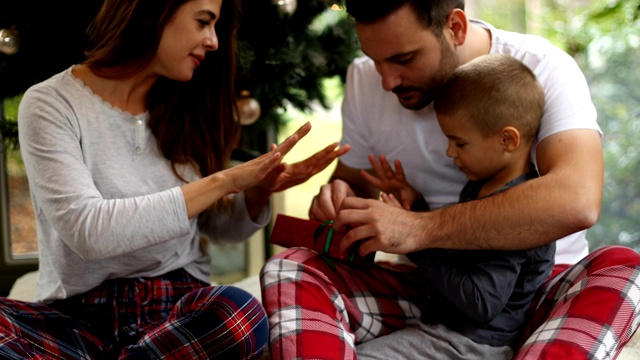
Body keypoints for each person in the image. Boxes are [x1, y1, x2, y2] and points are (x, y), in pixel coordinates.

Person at [261, 1, 640, 359]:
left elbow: (576, 201)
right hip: (427, 291)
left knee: (625, 271)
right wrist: (339, 200)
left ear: (455, 27)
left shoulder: (542, 68)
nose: (387, 81)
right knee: (290, 267)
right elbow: (354, 184)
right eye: (375, 60)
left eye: (403, 59)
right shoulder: (365, 79)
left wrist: (419, 229)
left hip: (544, 294)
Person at [0, 0, 348, 359]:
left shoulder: (190, 105)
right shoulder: (50, 103)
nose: (212, 41)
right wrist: (223, 181)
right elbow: (88, 233)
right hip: (77, 316)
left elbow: (219, 228)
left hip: (174, 308)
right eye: (203, 22)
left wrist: (257, 191)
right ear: (154, 11)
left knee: (239, 315)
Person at [360, 53, 554, 359]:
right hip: (444, 328)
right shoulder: (479, 187)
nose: (450, 152)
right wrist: (414, 204)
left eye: (459, 142)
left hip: (472, 345)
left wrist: (414, 243)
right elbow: (454, 251)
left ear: (508, 140)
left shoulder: (515, 212)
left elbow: (481, 302)